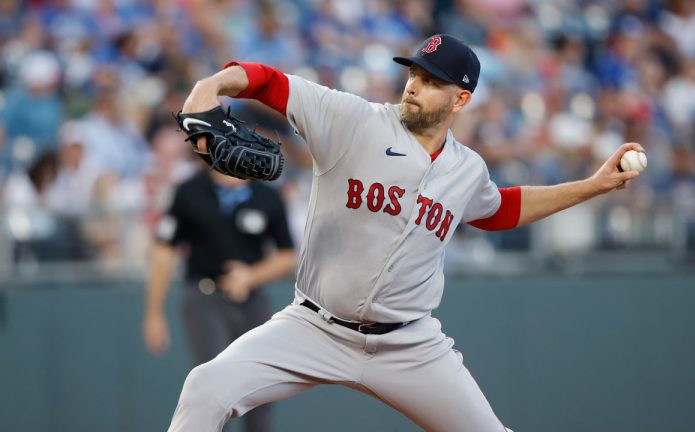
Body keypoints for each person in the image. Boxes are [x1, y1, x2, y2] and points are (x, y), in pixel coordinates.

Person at [169, 34, 643, 432]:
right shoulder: (352, 120)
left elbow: (497, 210)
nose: (414, 86)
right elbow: (268, 82)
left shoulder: (467, 169)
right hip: (313, 326)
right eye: (413, 74)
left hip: (409, 345)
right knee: (205, 387)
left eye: (431, 81)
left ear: (461, 99)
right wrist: (211, 86)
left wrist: (591, 186)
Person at [143, 168, 296, 432]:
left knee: (259, 389)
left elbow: (287, 256)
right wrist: (154, 313)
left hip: (252, 301)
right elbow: (164, 249)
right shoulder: (190, 191)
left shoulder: (266, 196)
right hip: (204, 297)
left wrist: (251, 276)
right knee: (212, 384)